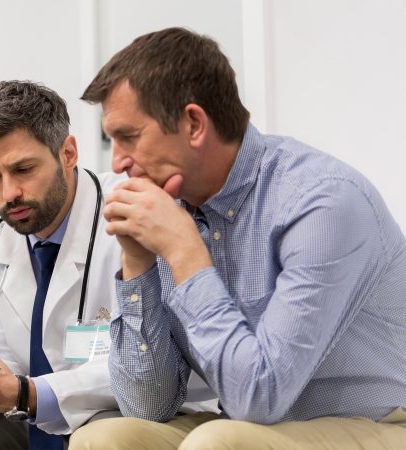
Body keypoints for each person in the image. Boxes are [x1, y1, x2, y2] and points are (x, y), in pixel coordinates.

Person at [68, 27, 406, 449]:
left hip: (376, 423)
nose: (117, 162)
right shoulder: (173, 209)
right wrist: (137, 263)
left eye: (129, 137)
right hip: (250, 423)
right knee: (102, 438)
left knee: (218, 442)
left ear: (194, 124)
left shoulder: (322, 201)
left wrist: (184, 252)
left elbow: (259, 397)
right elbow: (147, 405)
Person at [0, 80, 215, 450]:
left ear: (68, 153)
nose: (8, 194)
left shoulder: (136, 211)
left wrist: (23, 393)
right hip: (34, 416)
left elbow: (145, 376)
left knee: (99, 435)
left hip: (138, 413)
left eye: (23, 169)